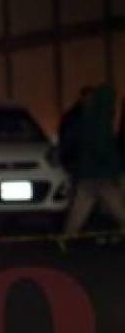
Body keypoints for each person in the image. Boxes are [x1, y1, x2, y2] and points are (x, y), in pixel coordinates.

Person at [59, 83, 125, 238]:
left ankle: (66, 237)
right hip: (101, 174)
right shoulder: (101, 118)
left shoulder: (87, 116)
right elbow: (103, 147)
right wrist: (116, 167)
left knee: (80, 209)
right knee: (119, 207)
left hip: (87, 172)